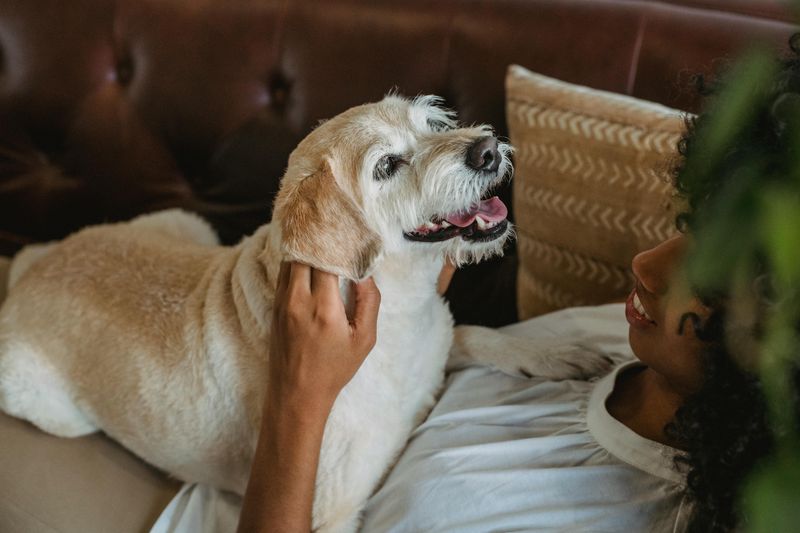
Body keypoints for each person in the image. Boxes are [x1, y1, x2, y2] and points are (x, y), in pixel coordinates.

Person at [155, 47, 800, 533]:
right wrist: (427, 301)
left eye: (707, 280)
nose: (645, 266)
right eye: (691, 229)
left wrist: (298, 401)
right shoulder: (632, 331)